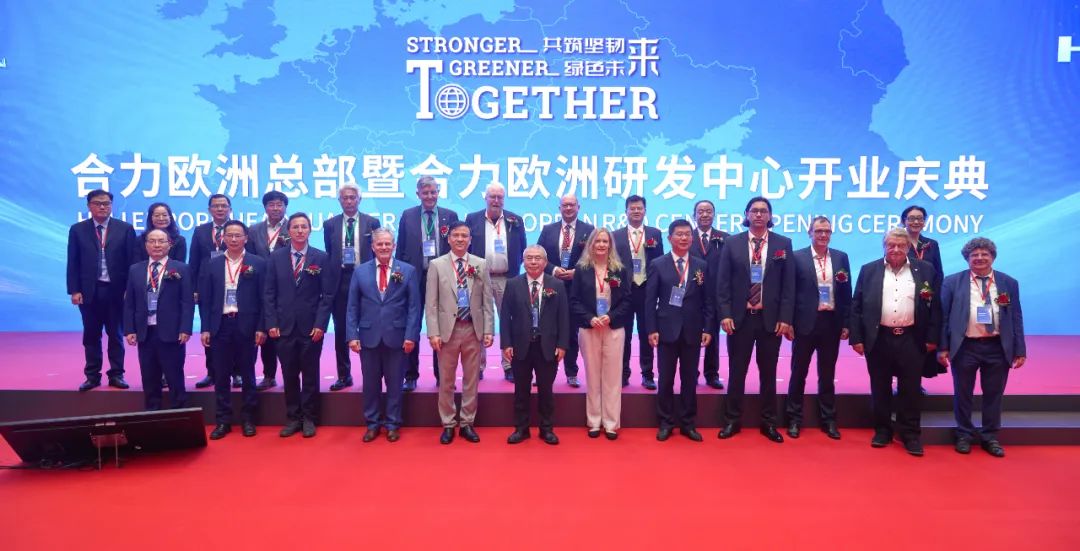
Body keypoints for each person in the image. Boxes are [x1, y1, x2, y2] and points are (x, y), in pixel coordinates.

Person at [850, 227, 941, 456]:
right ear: (884, 246)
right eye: (891, 245)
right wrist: (857, 338)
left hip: (912, 338)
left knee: (910, 389)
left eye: (901, 245)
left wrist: (932, 338)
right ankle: (882, 431)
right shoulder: (869, 270)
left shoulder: (925, 270)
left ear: (909, 247)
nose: (896, 249)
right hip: (879, 338)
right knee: (880, 387)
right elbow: (856, 306)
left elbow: (936, 308)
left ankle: (910, 434)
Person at [938, 237, 1026, 458]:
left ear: (992, 257)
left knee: (994, 394)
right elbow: (943, 317)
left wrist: (1020, 349)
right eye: (974, 255)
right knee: (963, 393)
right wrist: (943, 347)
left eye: (984, 254)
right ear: (967, 259)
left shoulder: (1008, 283)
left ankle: (990, 436)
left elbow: (1016, 316)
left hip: (998, 347)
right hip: (965, 346)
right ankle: (964, 434)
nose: (979, 258)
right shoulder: (952, 282)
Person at [716, 197, 795, 443]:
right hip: (740, 319)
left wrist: (785, 318)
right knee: (737, 372)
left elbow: (788, 286)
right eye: (754, 211)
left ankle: (769, 423)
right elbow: (723, 282)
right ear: (747, 214)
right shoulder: (732, 243)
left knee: (768, 373)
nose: (759, 215)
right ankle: (732, 420)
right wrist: (725, 313)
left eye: (763, 211)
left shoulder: (783, 244)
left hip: (770, 320)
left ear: (770, 216)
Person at [348, 229, 421, 443]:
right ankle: (372, 424)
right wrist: (352, 335)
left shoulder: (407, 271)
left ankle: (392, 424)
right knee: (370, 384)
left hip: (397, 337)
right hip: (368, 336)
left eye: (388, 244)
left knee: (395, 384)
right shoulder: (360, 271)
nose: (384, 247)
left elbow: (414, 307)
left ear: (394, 246)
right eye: (379, 244)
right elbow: (352, 306)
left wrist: (411, 336)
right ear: (373, 247)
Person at [644, 220, 714, 442]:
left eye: (687, 234)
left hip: (693, 330)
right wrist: (651, 329)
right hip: (666, 330)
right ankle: (665, 422)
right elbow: (650, 300)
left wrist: (708, 328)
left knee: (689, 379)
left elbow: (708, 300)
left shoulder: (701, 265)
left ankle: (687, 423)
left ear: (692, 238)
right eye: (679, 234)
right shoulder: (658, 264)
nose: (684, 238)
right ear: (670, 238)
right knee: (665, 379)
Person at [426, 221, 494, 444]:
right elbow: (431, 303)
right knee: (446, 380)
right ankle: (448, 423)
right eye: (456, 235)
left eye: (464, 236)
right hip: (448, 331)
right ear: (448, 239)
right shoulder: (437, 265)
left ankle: (466, 422)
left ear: (470, 240)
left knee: (471, 380)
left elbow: (487, 301)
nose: (460, 239)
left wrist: (489, 330)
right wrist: (433, 333)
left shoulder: (480, 264)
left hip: (473, 329)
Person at [265, 213, 332, 439]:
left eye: (304, 227)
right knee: (289, 374)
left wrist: (321, 324)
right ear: (289, 231)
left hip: (311, 328)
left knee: (310, 374)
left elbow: (327, 296)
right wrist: (271, 322)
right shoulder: (276, 257)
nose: (300, 230)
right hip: (283, 327)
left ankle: (310, 418)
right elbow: (269, 293)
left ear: (310, 230)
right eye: (295, 227)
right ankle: (293, 418)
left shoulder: (321, 257)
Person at [783, 216, 851, 440]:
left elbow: (846, 293)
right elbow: (789, 292)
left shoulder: (841, 257)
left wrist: (846, 323)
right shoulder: (797, 257)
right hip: (804, 323)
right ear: (810, 233)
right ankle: (794, 419)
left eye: (827, 231)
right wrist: (788, 322)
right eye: (819, 231)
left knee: (827, 374)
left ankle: (828, 420)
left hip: (831, 322)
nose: (823, 235)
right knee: (798, 372)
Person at [199, 221, 267, 440]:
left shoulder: (258, 263)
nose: (234, 239)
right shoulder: (212, 264)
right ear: (223, 238)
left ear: (246, 238)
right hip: (220, 325)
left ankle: (248, 419)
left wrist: (261, 327)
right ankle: (223, 420)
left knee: (248, 374)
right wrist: (205, 328)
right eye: (230, 235)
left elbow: (264, 299)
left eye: (238, 235)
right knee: (221, 375)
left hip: (247, 325)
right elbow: (205, 300)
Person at [67, 189, 137, 391]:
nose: (102, 207)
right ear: (89, 206)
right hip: (89, 291)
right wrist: (74, 290)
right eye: (98, 203)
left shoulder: (125, 229)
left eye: (106, 203)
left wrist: (130, 289)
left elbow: (133, 262)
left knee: (116, 334)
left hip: (117, 291)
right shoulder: (78, 230)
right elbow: (73, 262)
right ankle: (92, 376)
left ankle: (117, 374)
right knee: (91, 335)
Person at [500, 245, 568, 445]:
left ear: (545, 262)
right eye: (529, 258)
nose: (533, 262)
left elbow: (564, 317)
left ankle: (546, 429)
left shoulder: (557, 285)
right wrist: (506, 344)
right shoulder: (513, 284)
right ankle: (521, 429)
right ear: (523, 262)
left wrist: (562, 345)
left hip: (547, 346)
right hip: (520, 346)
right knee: (521, 390)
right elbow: (505, 317)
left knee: (546, 390)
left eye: (538, 258)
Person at [396, 176, 458, 390]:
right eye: (425, 193)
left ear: (438, 192)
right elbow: (400, 250)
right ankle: (410, 375)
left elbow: (457, 248)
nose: (430, 196)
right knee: (412, 324)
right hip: (415, 277)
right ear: (418, 194)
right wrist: (400, 278)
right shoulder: (408, 215)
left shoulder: (450, 216)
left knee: (441, 326)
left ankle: (442, 375)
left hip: (442, 279)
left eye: (433, 192)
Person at [571, 229, 633, 440]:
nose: (601, 244)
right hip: (589, 328)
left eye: (605, 241)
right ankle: (594, 421)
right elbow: (574, 301)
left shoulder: (619, 270)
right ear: (591, 244)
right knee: (593, 375)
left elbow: (627, 300)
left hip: (613, 328)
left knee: (612, 377)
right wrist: (590, 318)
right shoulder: (581, 269)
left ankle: (611, 423)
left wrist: (610, 317)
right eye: (597, 241)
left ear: (610, 245)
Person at [122, 229, 194, 410]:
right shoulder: (135, 269)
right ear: (145, 245)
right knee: (149, 378)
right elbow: (129, 303)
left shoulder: (181, 268)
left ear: (169, 244)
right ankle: (152, 415)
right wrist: (129, 329)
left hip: (172, 332)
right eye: (152, 241)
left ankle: (179, 415)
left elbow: (187, 302)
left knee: (174, 377)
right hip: (145, 332)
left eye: (161, 241)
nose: (156, 245)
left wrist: (185, 329)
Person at [466, 182, 527, 382]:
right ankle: (478, 366)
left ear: (504, 199)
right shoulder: (472, 219)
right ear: (485, 197)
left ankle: (509, 365)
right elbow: (466, 247)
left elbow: (522, 248)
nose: (496, 200)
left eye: (500, 197)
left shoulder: (515, 220)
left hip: (506, 279)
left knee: (509, 322)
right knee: (479, 322)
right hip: (479, 278)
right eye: (492, 196)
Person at [324, 184, 381, 391]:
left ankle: (371, 375)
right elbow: (330, 252)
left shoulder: (371, 222)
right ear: (339, 201)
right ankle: (344, 375)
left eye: (352, 197)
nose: (349, 201)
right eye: (345, 198)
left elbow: (376, 252)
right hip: (340, 281)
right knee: (341, 329)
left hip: (365, 278)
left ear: (359, 199)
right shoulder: (330, 224)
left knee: (368, 327)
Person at [536, 194, 595, 387]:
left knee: (570, 331)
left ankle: (571, 372)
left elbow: (595, 258)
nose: (568, 208)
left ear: (578, 207)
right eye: (564, 205)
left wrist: (577, 272)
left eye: (572, 205)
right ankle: (543, 373)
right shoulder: (548, 230)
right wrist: (554, 269)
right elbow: (538, 256)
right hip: (551, 285)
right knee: (546, 329)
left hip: (577, 288)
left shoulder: (589, 230)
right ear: (559, 208)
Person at [611, 194, 664, 390]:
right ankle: (622, 373)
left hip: (646, 290)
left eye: (639, 208)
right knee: (623, 335)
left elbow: (660, 263)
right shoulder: (615, 235)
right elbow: (611, 264)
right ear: (625, 212)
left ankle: (647, 374)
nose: (636, 211)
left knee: (646, 332)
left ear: (645, 211)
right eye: (632, 208)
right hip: (624, 292)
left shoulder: (655, 233)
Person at [189, 193, 234, 389]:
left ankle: (237, 373)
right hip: (207, 288)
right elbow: (194, 262)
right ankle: (212, 372)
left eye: (224, 206)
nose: (220, 209)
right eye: (216, 206)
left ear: (230, 209)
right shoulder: (200, 231)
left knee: (236, 332)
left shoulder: (238, 229)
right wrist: (193, 288)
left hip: (233, 285)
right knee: (210, 331)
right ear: (209, 210)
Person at [247, 190, 289, 391]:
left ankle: (290, 376)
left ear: (285, 207)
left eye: (279, 204)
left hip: (287, 286)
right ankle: (268, 375)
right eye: (271, 204)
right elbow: (250, 257)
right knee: (265, 330)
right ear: (265, 207)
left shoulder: (294, 227)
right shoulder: (254, 230)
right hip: (260, 286)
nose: (275, 208)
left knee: (287, 333)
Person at [902, 205, 945, 384]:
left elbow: (938, 272)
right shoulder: (898, 242)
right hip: (904, 299)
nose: (916, 222)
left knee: (923, 341)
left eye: (920, 218)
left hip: (927, 301)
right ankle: (904, 383)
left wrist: (936, 296)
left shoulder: (931, 244)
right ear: (904, 221)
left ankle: (916, 384)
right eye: (911, 218)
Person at [689, 199, 729, 389]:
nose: (704, 215)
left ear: (714, 214)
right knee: (691, 335)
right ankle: (691, 373)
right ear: (694, 215)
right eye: (700, 211)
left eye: (708, 211)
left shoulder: (725, 238)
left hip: (716, 295)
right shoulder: (686, 237)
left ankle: (712, 374)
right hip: (692, 295)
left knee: (712, 335)